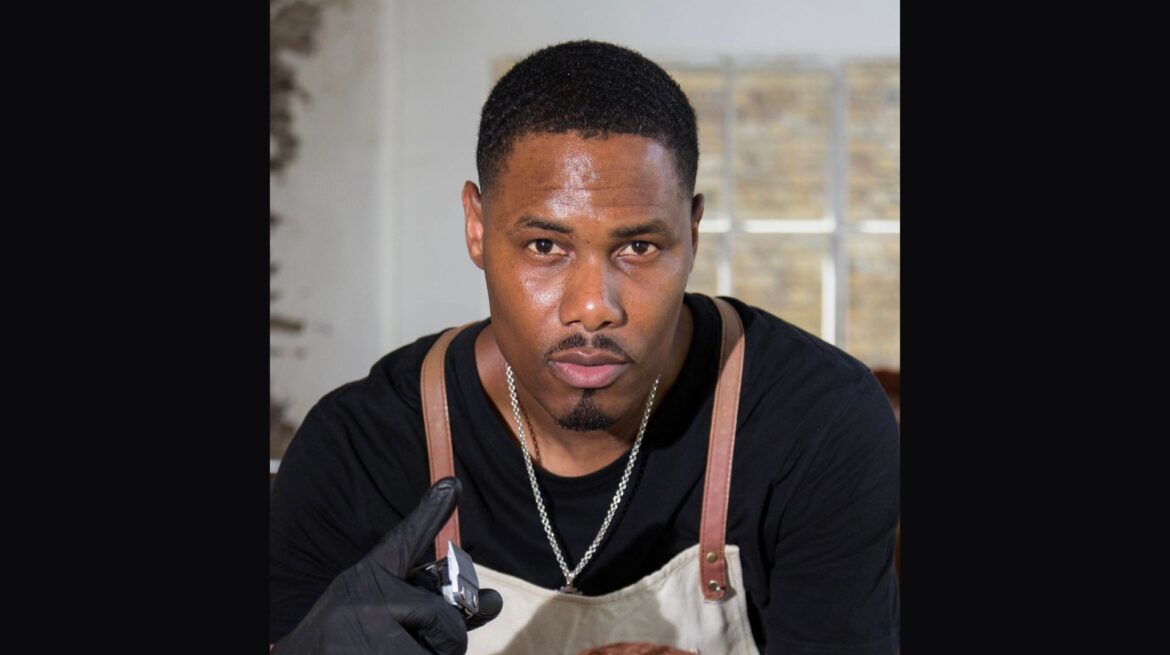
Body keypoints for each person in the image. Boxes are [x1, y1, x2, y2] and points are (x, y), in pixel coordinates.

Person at [270, 39, 900, 654]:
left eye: (639, 247)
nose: (594, 307)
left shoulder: (819, 423)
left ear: (693, 233)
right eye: (545, 246)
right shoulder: (359, 449)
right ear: (477, 227)